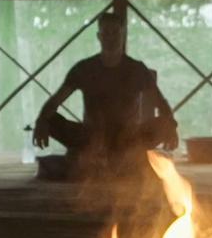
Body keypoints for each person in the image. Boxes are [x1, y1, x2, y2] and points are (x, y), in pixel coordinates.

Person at [32, 12, 179, 176]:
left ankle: (111, 159)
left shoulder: (137, 69)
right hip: (91, 137)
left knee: (164, 123)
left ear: (123, 35)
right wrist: (41, 121)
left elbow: (161, 103)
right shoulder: (84, 69)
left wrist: (171, 127)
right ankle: (107, 159)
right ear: (99, 36)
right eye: (106, 33)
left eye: (115, 33)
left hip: (128, 139)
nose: (111, 38)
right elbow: (55, 101)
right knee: (50, 120)